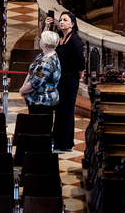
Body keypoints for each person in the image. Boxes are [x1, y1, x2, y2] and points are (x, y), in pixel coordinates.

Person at [53, 11, 85, 151]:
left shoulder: (75, 39)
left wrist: (80, 75)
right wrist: (47, 26)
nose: (61, 22)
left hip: (70, 79)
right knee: (61, 110)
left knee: (66, 111)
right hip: (60, 79)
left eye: (65, 20)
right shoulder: (59, 36)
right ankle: (65, 142)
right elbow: (46, 43)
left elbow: (80, 61)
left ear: (72, 24)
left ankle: (61, 143)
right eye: (60, 20)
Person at [19, 30, 61, 127]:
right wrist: (24, 88)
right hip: (36, 99)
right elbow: (31, 73)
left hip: (42, 101)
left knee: (39, 129)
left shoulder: (47, 62)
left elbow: (35, 83)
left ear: (45, 44)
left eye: (41, 39)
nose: (39, 41)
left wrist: (22, 91)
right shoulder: (42, 55)